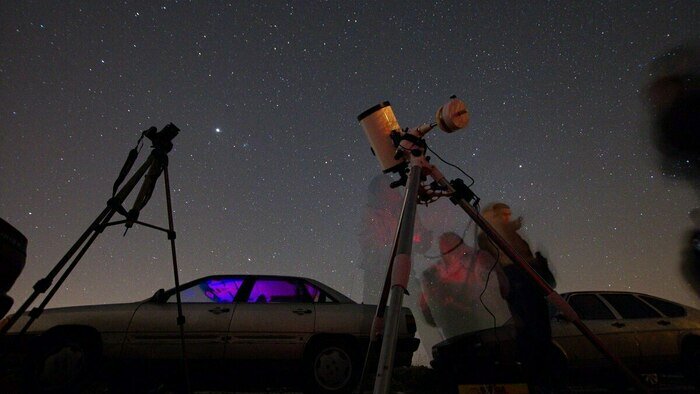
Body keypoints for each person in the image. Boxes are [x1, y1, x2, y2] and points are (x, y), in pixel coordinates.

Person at [477, 202, 558, 390]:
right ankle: (535, 380)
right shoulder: (489, 235)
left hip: (529, 282)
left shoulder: (512, 234)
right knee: (529, 334)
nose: (508, 217)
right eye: (503, 214)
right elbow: (495, 263)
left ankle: (543, 379)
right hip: (516, 283)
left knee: (539, 334)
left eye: (508, 214)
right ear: (494, 216)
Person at [420, 232, 510, 338]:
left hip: (496, 331)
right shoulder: (438, 277)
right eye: (444, 254)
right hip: (460, 340)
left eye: (451, 250)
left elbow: (502, 289)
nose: (450, 257)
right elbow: (431, 318)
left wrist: (454, 285)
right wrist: (430, 296)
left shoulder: (480, 260)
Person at [358, 174, 431, 305]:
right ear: (377, 194)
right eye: (384, 189)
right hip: (377, 275)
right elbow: (372, 246)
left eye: (391, 187)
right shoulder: (370, 215)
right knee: (375, 311)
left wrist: (423, 240)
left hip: (405, 272)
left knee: (414, 311)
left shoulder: (407, 211)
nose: (390, 191)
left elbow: (420, 240)